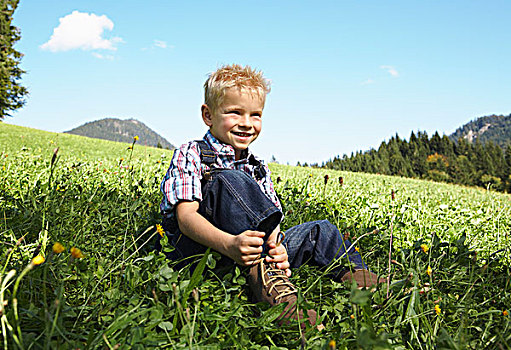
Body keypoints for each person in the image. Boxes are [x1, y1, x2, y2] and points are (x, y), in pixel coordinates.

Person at [159, 64, 381, 331]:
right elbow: (185, 218)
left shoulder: (257, 165)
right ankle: (277, 296)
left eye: (256, 115)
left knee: (321, 231)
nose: (247, 123)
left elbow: (271, 223)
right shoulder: (191, 153)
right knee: (228, 179)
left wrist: (278, 249)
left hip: (255, 247)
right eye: (234, 113)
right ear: (208, 115)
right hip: (205, 248)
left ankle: (364, 282)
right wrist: (230, 244)